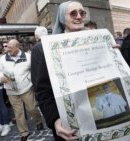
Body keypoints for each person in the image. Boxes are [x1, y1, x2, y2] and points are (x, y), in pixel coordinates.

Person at [31, 1, 87, 141]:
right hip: (69, 122)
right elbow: (43, 91)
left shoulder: (96, 42)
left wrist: (112, 53)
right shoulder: (44, 49)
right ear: (62, 17)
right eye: (73, 13)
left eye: (82, 12)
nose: (79, 16)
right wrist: (55, 120)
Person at [0, 39, 43, 141]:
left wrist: (31, 80)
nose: (8, 50)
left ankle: (38, 121)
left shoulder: (28, 57)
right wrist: (0, 78)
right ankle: (24, 132)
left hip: (26, 88)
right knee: (18, 112)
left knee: (32, 108)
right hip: (11, 89)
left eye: (11, 48)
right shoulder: (2, 59)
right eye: (7, 47)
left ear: (18, 47)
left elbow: (35, 69)